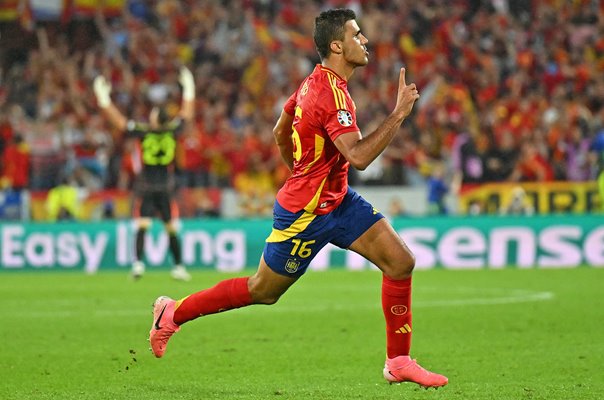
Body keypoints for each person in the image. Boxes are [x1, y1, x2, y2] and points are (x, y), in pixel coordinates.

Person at [149, 9, 448, 388]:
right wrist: (399, 113)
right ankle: (172, 313)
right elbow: (358, 157)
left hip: (337, 200)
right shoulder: (331, 95)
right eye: (357, 35)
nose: (365, 40)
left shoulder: (313, 83)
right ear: (337, 45)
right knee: (263, 291)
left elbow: (280, 129)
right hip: (306, 213)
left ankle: (399, 361)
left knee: (400, 261)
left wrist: (302, 168)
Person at [93, 67, 195, 281]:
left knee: (142, 225)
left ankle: (138, 264)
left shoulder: (144, 132)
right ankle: (178, 266)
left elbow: (119, 122)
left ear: (156, 119)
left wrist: (103, 98)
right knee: (171, 227)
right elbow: (187, 114)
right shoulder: (172, 131)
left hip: (147, 185)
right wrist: (189, 88)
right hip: (166, 186)